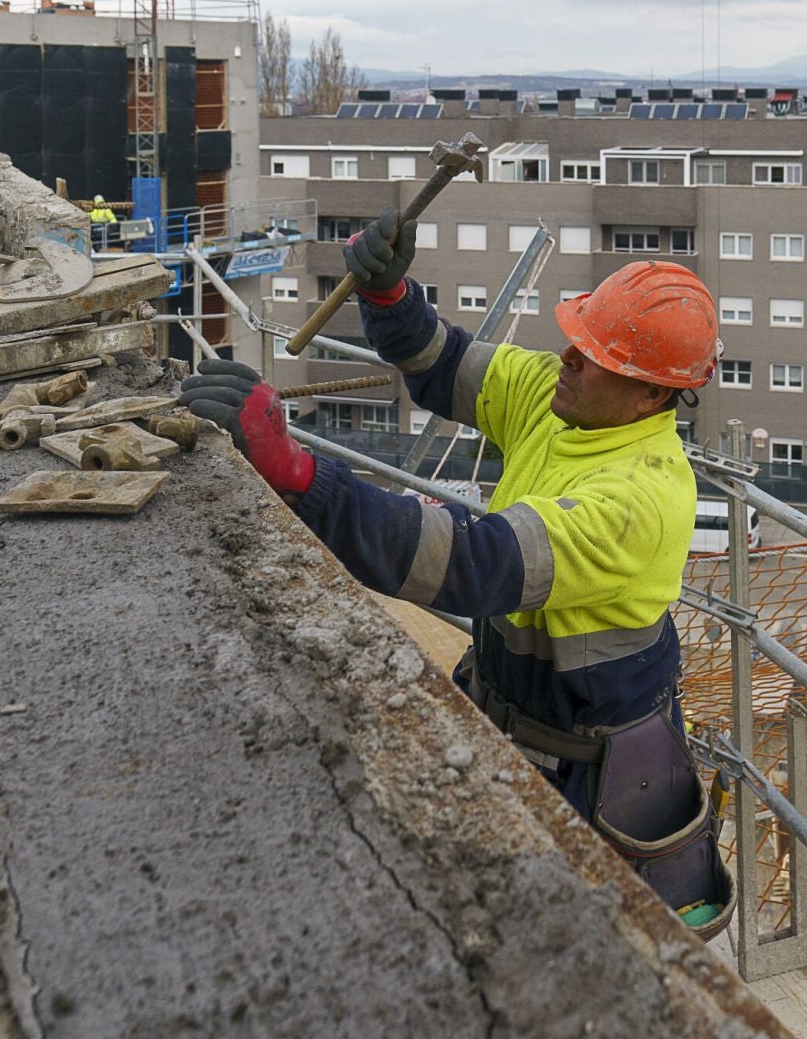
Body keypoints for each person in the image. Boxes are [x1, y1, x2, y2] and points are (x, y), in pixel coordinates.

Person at [181, 207, 732, 935]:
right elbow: (443, 364)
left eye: (593, 356)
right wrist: (388, 295)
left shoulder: (643, 497)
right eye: (575, 341)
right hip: (515, 717)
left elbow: (470, 561)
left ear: (652, 395)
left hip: (594, 772)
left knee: (578, 941)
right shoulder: (559, 399)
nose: (566, 359)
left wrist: (296, 472)